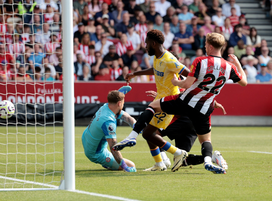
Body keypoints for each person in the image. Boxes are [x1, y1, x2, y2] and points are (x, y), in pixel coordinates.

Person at [114, 32, 247, 174]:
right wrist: (237, 63)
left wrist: (178, 83)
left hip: (184, 106)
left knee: (151, 120)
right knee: (203, 141)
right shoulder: (229, 67)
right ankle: (208, 159)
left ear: (209, 46)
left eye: (205, 44)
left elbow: (190, 81)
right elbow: (243, 83)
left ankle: (136, 139)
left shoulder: (200, 61)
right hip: (203, 109)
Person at [114, 29, 191, 171]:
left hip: (169, 102)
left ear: (153, 43)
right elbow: (155, 70)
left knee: (148, 133)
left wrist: (183, 87)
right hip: (160, 98)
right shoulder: (157, 57)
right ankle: (159, 163)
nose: (145, 45)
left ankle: (179, 153)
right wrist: (135, 74)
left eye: (147, 43)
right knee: (148, 133)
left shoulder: (169, 59)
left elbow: (189, 74)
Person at [82, 90, 136, 172]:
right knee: (131, 165)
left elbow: (128, 117)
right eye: (123, 103)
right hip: (95, 153)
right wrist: (125, 167)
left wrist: (137, 127)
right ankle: (107, 163)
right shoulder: (108, 122)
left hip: (86, 137)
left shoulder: (106, 106)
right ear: (119, 103)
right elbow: (113, 148)